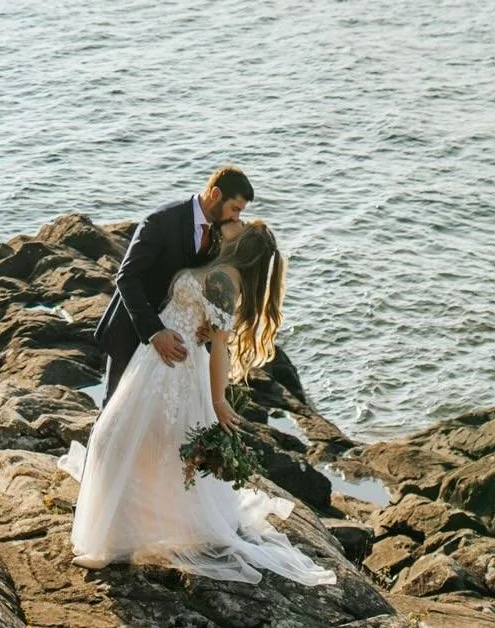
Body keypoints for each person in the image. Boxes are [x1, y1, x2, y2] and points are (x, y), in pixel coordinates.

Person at [58, 221, 336, 586]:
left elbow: (219, 346)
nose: (232, 223)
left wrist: (218, 400)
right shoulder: (215, 266)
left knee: (140, 442)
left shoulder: (223, 281)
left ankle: (114, 543)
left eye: (239, 224)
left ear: (246, 245)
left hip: (176, 372)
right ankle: (118, 537)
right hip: (152, 362)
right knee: (121, 438)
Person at [94, 166, 253, 405]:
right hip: (134, 333)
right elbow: (127, 277)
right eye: (235, 209)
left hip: (181, 344)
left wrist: (207, 325)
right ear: (216, 194)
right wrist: (155, 332)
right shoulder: (162, 221)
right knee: (116, 413)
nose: (236, 217)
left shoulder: (220, 233)